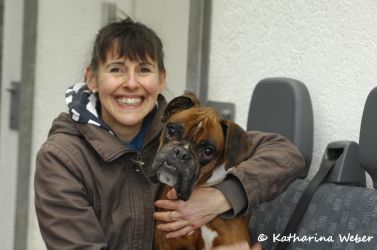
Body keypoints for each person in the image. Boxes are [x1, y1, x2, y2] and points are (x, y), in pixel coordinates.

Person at [34, 17, 305, 249]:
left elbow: (285, 155)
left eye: (144, 70)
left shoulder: (181, 126)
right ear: (92, 78)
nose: (131, 83)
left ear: (161, 79)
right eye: (116, 69)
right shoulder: (62, 158)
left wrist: (221, 196)